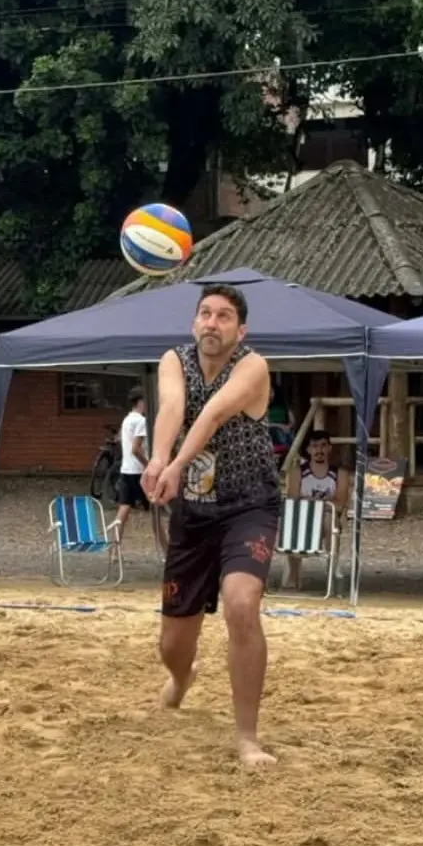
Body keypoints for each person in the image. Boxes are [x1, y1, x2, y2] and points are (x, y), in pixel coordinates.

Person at [143, 285, 282, 768]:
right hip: (195, 514)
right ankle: (183, 678)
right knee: (172, 644)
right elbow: (173, 410)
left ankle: (247, 737)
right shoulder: (173, 360)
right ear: (193, 323)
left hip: (249, 506)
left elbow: (214, 413)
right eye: (205, 314)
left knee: (241, 605)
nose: (212, 323)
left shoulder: (252, 366)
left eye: (224, 316)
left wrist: (176, 465)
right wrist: (159, 460)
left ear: (239, 330)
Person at [284, 428, 349, 589]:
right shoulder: (298, 472)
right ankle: (293, 576)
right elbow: (293, 499)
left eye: (323, 446)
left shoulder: (339, 473)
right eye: (314, 446)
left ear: (329, 448)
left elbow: (340, 503)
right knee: (293, 522)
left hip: (327, 519)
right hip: (303, 520)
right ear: (308, 450)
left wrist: (311, 500)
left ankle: (331, 571)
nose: (319, 450)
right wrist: (325, 501)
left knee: (329, 519)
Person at [115, 386, 148, 539]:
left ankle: (115, 548)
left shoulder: (127, 419)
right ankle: (164, 547)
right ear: (141, 402)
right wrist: (148, 464)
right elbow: (136, 449)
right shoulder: (141, 421)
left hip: (126, 469)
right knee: (155, 510)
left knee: (124, 509)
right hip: (139, 471)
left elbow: (122, 440)